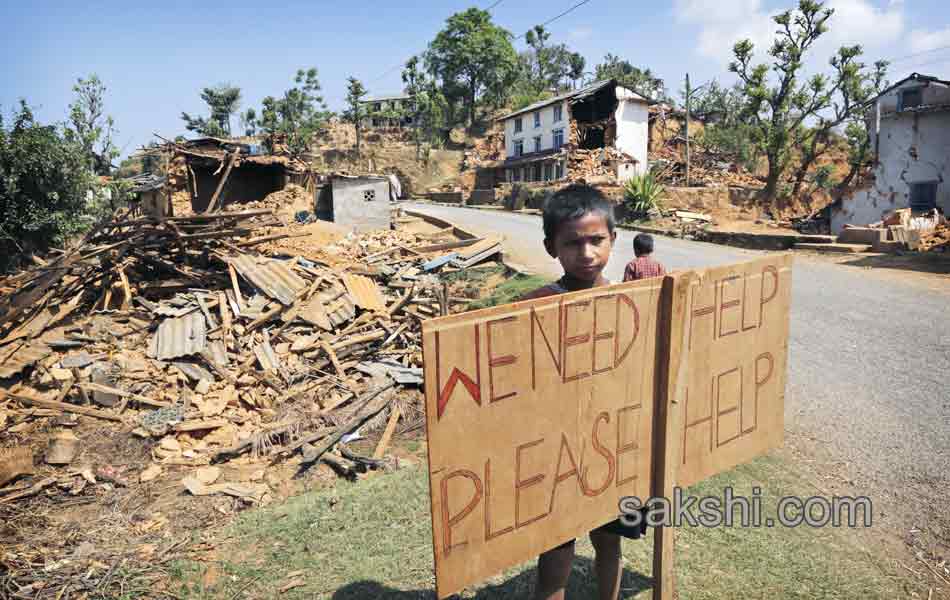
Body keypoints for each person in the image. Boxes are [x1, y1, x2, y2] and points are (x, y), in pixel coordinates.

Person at [519, 185, 648, 600]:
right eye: (573, 242)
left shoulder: (632, 303)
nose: (587, 252)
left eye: (597, 240)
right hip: (555, 452)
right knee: (555, 554)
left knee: (609, 542)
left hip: (612, 448)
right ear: (551, 247)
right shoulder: (533, 307)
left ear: (614, 238)